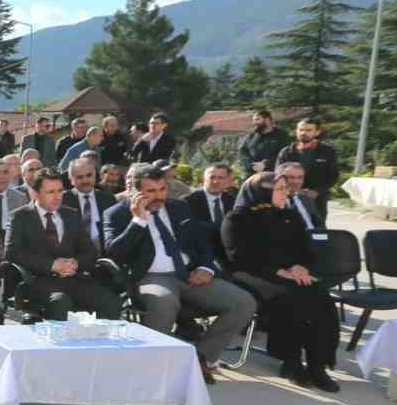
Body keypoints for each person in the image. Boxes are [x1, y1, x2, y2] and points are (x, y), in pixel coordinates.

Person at [103, 166, 256, 383]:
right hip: (151, 277)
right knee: (163, 302)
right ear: (134, 192)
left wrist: (206, 267)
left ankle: (198, 357)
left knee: (244, 302)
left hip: (189, 274)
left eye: (162, 189)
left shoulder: (179, 207)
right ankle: (153, 370)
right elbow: (115, 253)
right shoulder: (117, 213)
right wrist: (138, 220)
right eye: (151, 191)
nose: (159, 196)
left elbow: (201, 243)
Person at [223, 172, 342, 391]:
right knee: (291, 298)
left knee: (321, 297)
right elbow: (239, 257)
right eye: (279, 189)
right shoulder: (237, 218)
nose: (285, 193)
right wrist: (279, 271)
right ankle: (291, 361)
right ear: (262, 192)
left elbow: (305, 250)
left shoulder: (289, 216)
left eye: (285, 189)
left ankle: (318, 365)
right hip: (253, 274)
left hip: (291, 273)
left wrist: (300, 267)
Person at [6, 169, 122, 321]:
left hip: (74, 278)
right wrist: (51, 265)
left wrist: (75, 263)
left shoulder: (71, 215)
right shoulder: (20, 217)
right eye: (50, 192)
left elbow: (90, 251)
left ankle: (101, 343)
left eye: (60, 191)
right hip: (39, 281)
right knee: (60, 303)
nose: (57, 197)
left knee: (110, 301)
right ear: (35, 193)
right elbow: (12, 252)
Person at [276, 118, 339, 223]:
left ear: (317, 132)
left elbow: (333, 176)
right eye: (301, 130)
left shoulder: (327, 152)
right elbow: (278, 176)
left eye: (308, 130)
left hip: (317, 201)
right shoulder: (286, 152)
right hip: (290, 200)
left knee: (317, 231)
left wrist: (317, 191)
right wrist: (294, 191)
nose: (303, 133)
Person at [61, 158, 116, 244]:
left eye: (89, 175)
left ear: (95, 176)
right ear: (71, 180)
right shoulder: (62, 200)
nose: (85, 180)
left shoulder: (108, 199)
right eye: (80, 177)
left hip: (103, 251)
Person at [276, 162, 326, 232]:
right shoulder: (273, 202)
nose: (296, 182)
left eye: (300, 177)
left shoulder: (306, 199)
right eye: (291, 177)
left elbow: (320, 225)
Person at [239, 109, 291, 175]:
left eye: (257, 119)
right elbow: (242, 152)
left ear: (267, 120)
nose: (254, 122)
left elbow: (285, 154)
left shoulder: (281, 135)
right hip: (251, 175)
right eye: (253, 120)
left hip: (273, 175)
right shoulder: (250, 136)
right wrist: (251, 165)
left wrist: (265, 164)